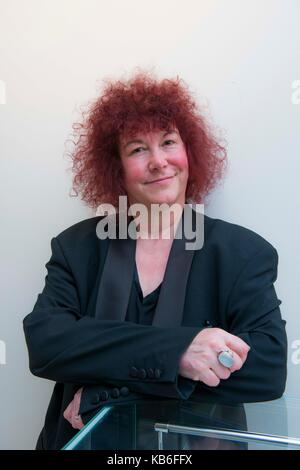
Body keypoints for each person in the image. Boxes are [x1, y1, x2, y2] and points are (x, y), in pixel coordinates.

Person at [23, 70, 287, 450]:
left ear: (189, 154)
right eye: (137, 149)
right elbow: (47, 343)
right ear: (116, 169)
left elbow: (268, 369)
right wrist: (182, 353)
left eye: (168, 142)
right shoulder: (77, 247)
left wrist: (105, 394)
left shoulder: (242, 253)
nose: (159, 161)